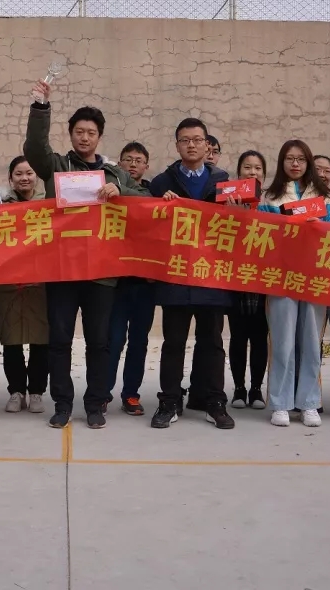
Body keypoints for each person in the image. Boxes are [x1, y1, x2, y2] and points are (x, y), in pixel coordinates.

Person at [25, 79, 150, 430]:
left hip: (101, 273)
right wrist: (40, 108)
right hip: (63, 270)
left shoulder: (113, 173)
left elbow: (144, 199)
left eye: (91, 133)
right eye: (79, 132)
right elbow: (34, 147)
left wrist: (120, 190)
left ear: (99, 137)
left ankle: (95, 403)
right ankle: (62, 403)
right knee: (60, 342)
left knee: (100, 343)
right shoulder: (56, 165)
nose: (84, 137)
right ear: (71, 134)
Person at [148, 119, 235, 430]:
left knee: (212, 342)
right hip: (176, 273)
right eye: (185, 140)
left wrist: (237, 210)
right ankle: (170, 401)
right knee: (173, 342)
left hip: (212, 274)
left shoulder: (224, 183)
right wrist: (161, 209)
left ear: (208, 146)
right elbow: (149, 227)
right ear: (177, 146)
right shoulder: (161, 183)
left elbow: (237, 227)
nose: (192, 145)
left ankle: (214, 401)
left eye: (198, 140)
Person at [257, 140, 330, 427]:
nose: (295, 164)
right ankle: (280, 403)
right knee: (282, 342)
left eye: (301, 159)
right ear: (282, 162)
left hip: (315, 276)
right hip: (281, 276)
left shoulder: (324, 195)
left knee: (311, 341)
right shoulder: (270, 196)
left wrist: (318, 225)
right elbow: (262, 234)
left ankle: (309, 403)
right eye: (290, 159)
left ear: (308, 163)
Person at [0, 156, 50, 414]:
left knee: (41, 339)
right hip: (9, 283)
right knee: (11, 340)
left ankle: (37, 391)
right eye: (18, 174)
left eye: (29, 173)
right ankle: (16, 391)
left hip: (41, 281)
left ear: (36, 176)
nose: (24, 178)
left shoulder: (49, 203)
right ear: (10, 178)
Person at [106, 142, 156, 416]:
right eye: (128, 159)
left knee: (139, 341)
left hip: (144, 282)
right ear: (119, 164)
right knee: (113, 340)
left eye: (138, 160)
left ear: (146, 166)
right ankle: (102, 393)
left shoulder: (152, 195)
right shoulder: (107, 193)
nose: (133, 164)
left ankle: (131, 395)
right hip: (116, 282)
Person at [228, 151, 269, 410]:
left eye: (257, 168)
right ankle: (238, 388)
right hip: (236, 278)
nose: (252, 172)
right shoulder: (227, 199)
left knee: (260, 336)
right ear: (239, 172)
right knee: (238, 336)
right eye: (247, 167)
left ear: (264, 173)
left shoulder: (270, 201)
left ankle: (256, 389)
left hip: (264, 279)